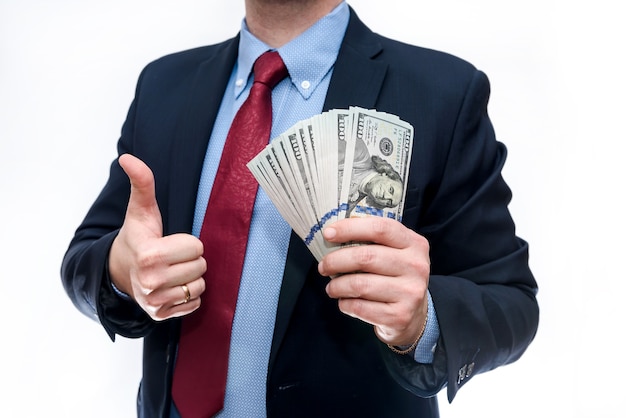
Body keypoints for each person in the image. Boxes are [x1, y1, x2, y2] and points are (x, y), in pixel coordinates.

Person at [61, 1, 539, 417]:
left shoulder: (443, 93)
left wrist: (421, 320)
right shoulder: (163, 85)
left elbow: (511, 301)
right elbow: (87, 257)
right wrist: (122, 273)